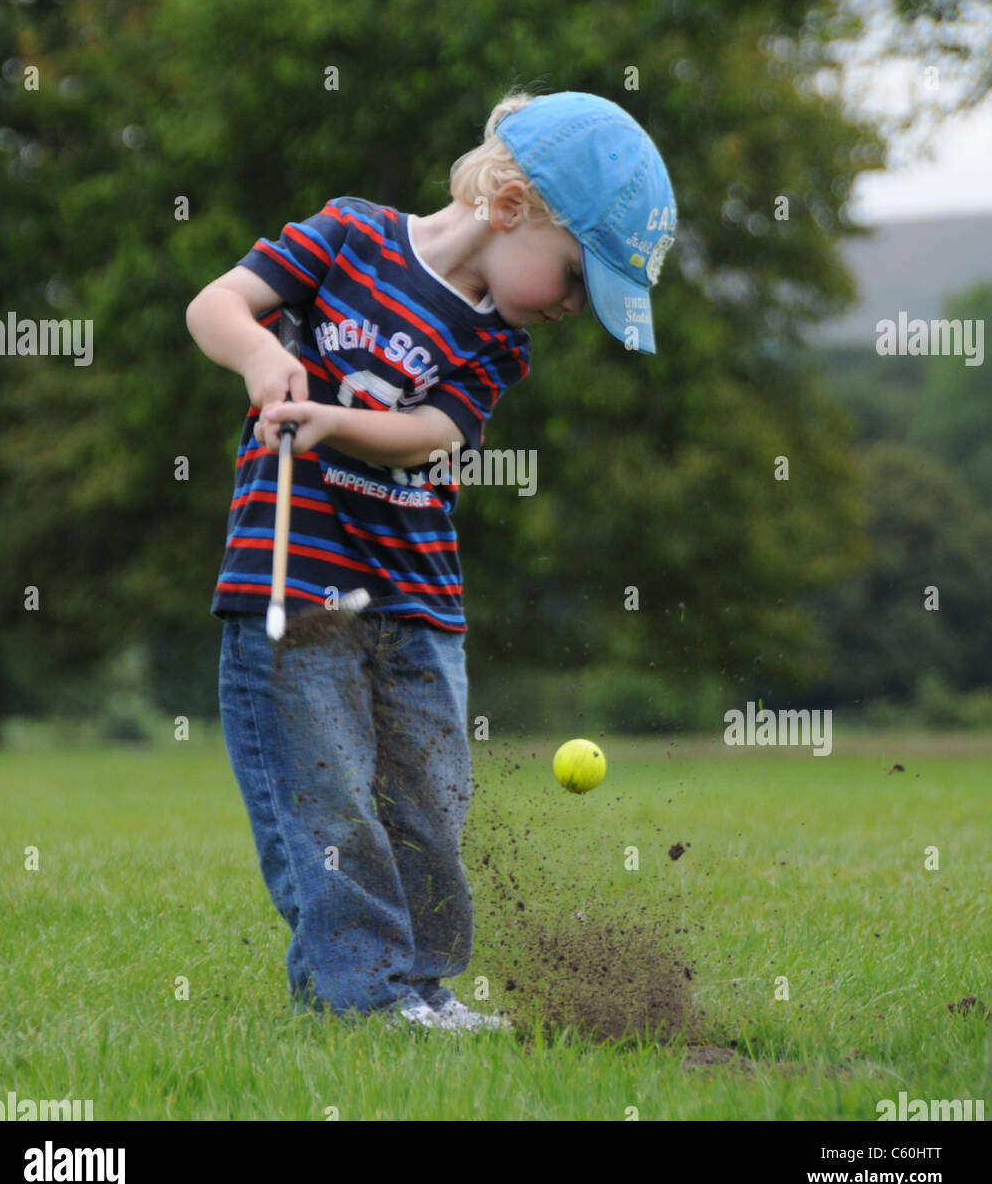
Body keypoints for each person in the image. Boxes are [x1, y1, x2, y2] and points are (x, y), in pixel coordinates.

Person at [185, 87, 676, 1031]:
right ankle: (363, 995)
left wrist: (331, 421)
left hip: (417, 603)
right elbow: (217, 304)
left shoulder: (497, 343)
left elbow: (429, 435)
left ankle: (421, 989)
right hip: (294, 583)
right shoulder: (347, 236)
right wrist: (255, 356)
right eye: (577, 277)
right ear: (507, 208)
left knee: (428, 806)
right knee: (327, 802)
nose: (577, 307)